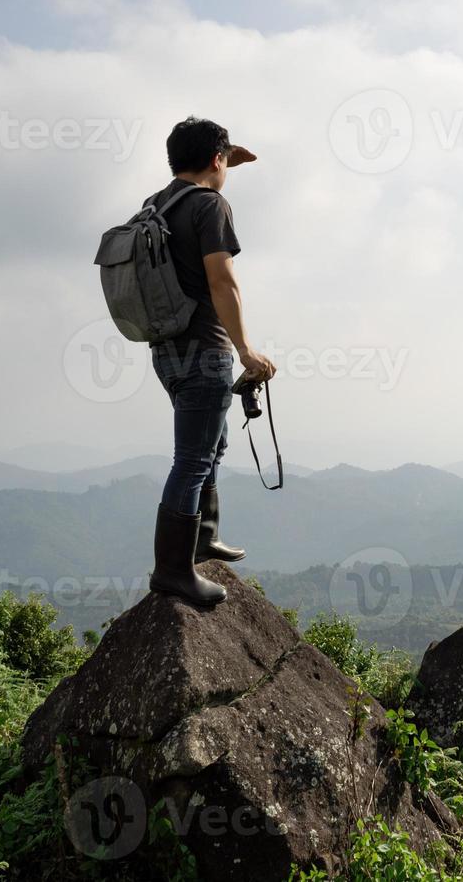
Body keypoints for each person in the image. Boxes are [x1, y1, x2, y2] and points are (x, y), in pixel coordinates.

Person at [146, 117, 277, 607]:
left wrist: (223, 161)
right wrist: (245, 349)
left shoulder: (157, 205)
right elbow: (222, 281)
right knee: (194, 459)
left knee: (212, 443)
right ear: (216, 160)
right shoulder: (210, 205)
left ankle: (202, 538)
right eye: (223, 159)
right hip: (205, 348)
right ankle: (173, 572)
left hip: (167, 351)